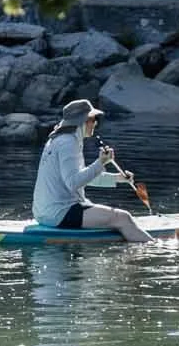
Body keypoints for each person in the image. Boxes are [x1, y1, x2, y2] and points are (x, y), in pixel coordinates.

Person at [32, 99, 152, 243]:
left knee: (116, 217)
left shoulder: (59, 139)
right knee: (123, 218)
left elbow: (81, 176)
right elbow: (73, 183)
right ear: (83, 121)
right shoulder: (68, 143)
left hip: (45, 213)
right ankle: (153, 249)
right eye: (93, 120)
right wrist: (100, 162)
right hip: (59, 214)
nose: (95, 124)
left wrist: (117, 178)